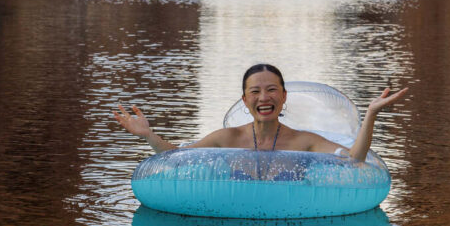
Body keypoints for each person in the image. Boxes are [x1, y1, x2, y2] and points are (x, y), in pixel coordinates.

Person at [115, 63, 407, 164]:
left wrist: (370, 114)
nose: (263, 98)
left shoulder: (305, 141)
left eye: (271, 90)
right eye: (255, 91)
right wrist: (148, 135)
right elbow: (176, 157)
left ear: (283, 96)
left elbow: (354, 159)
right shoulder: (226, 138)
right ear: (245, 100)